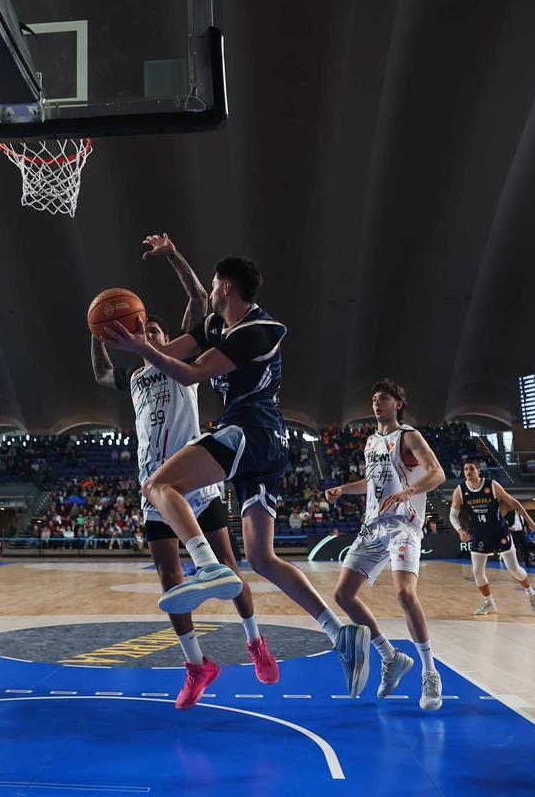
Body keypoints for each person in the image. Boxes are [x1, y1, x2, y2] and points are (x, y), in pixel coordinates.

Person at [102, 236, 370, 695]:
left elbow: (187, 372)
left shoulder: (257, 329)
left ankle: (206, 565)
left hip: (251, 431)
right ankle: (338, 633)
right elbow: (182, 345)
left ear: (226, 286)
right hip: (260, 450)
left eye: (212, 283)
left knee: (158, 485)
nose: (207, 289)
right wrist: (140, 339)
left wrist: (145, 349)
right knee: (262, 558)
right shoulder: (219, 325)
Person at [93, 233, 278, 708]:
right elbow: (100, 375)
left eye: (156, 332)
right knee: (168, 580)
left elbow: (198, 300)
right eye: (146, 333)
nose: (152, 338)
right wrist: (98, 336)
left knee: (230, 569)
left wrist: (174, 256)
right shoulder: (136, 376)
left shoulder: (182, 358)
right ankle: (197, 664)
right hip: (152, 487)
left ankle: (255, 641)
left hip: (195, 484)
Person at [325, 381, 447, 710]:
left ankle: (430, 672)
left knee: (405, 594)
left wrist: (408, 493)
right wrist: (341, 489)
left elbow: (437, 474)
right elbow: (371, 483)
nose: (377, 403)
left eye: (384, 398)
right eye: (374, 399)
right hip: (373, 526)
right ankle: (390, 657)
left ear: (398, 403)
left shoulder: (409, 436)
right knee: (342, 594)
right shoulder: (371, 442)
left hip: (403, 526)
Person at [449, 458, 535, 616]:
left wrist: (531, 522)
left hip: (499, 531)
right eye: (465, 469)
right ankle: (489, 602)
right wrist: (460, 530)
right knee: (477, 572)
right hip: (479, 534)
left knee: (514, 569)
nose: (468, 471)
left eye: (471, 468)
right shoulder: (460, 490)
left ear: (478, 471)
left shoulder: (491, 485)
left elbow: (514, 503)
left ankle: (530, 592)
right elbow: (453, 515)